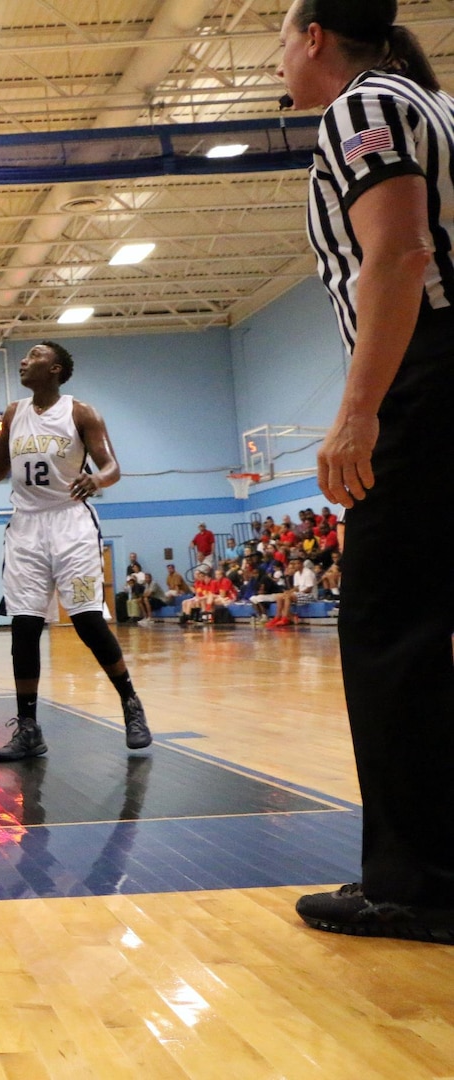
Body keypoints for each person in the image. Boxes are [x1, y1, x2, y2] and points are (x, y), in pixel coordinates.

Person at [277, 0, 454, 941]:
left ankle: (414, 882)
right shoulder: (439, 104)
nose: (278, 54)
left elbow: (399, 252)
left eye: (281, 35)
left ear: (314, 38)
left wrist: (358, 414)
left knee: (392, 637)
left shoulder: (361, 108)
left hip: (427, 377)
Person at [0, 341, 150, 761]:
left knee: (86, 621)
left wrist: (97, 481)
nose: (24, 361)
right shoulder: (14, 413)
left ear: (57, 369)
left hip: (70, 523)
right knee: (24, 628)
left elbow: (112, 466)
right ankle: (28, 728)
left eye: (34, 356)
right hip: (26, 528)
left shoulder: (81, 412)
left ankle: (131, 704)